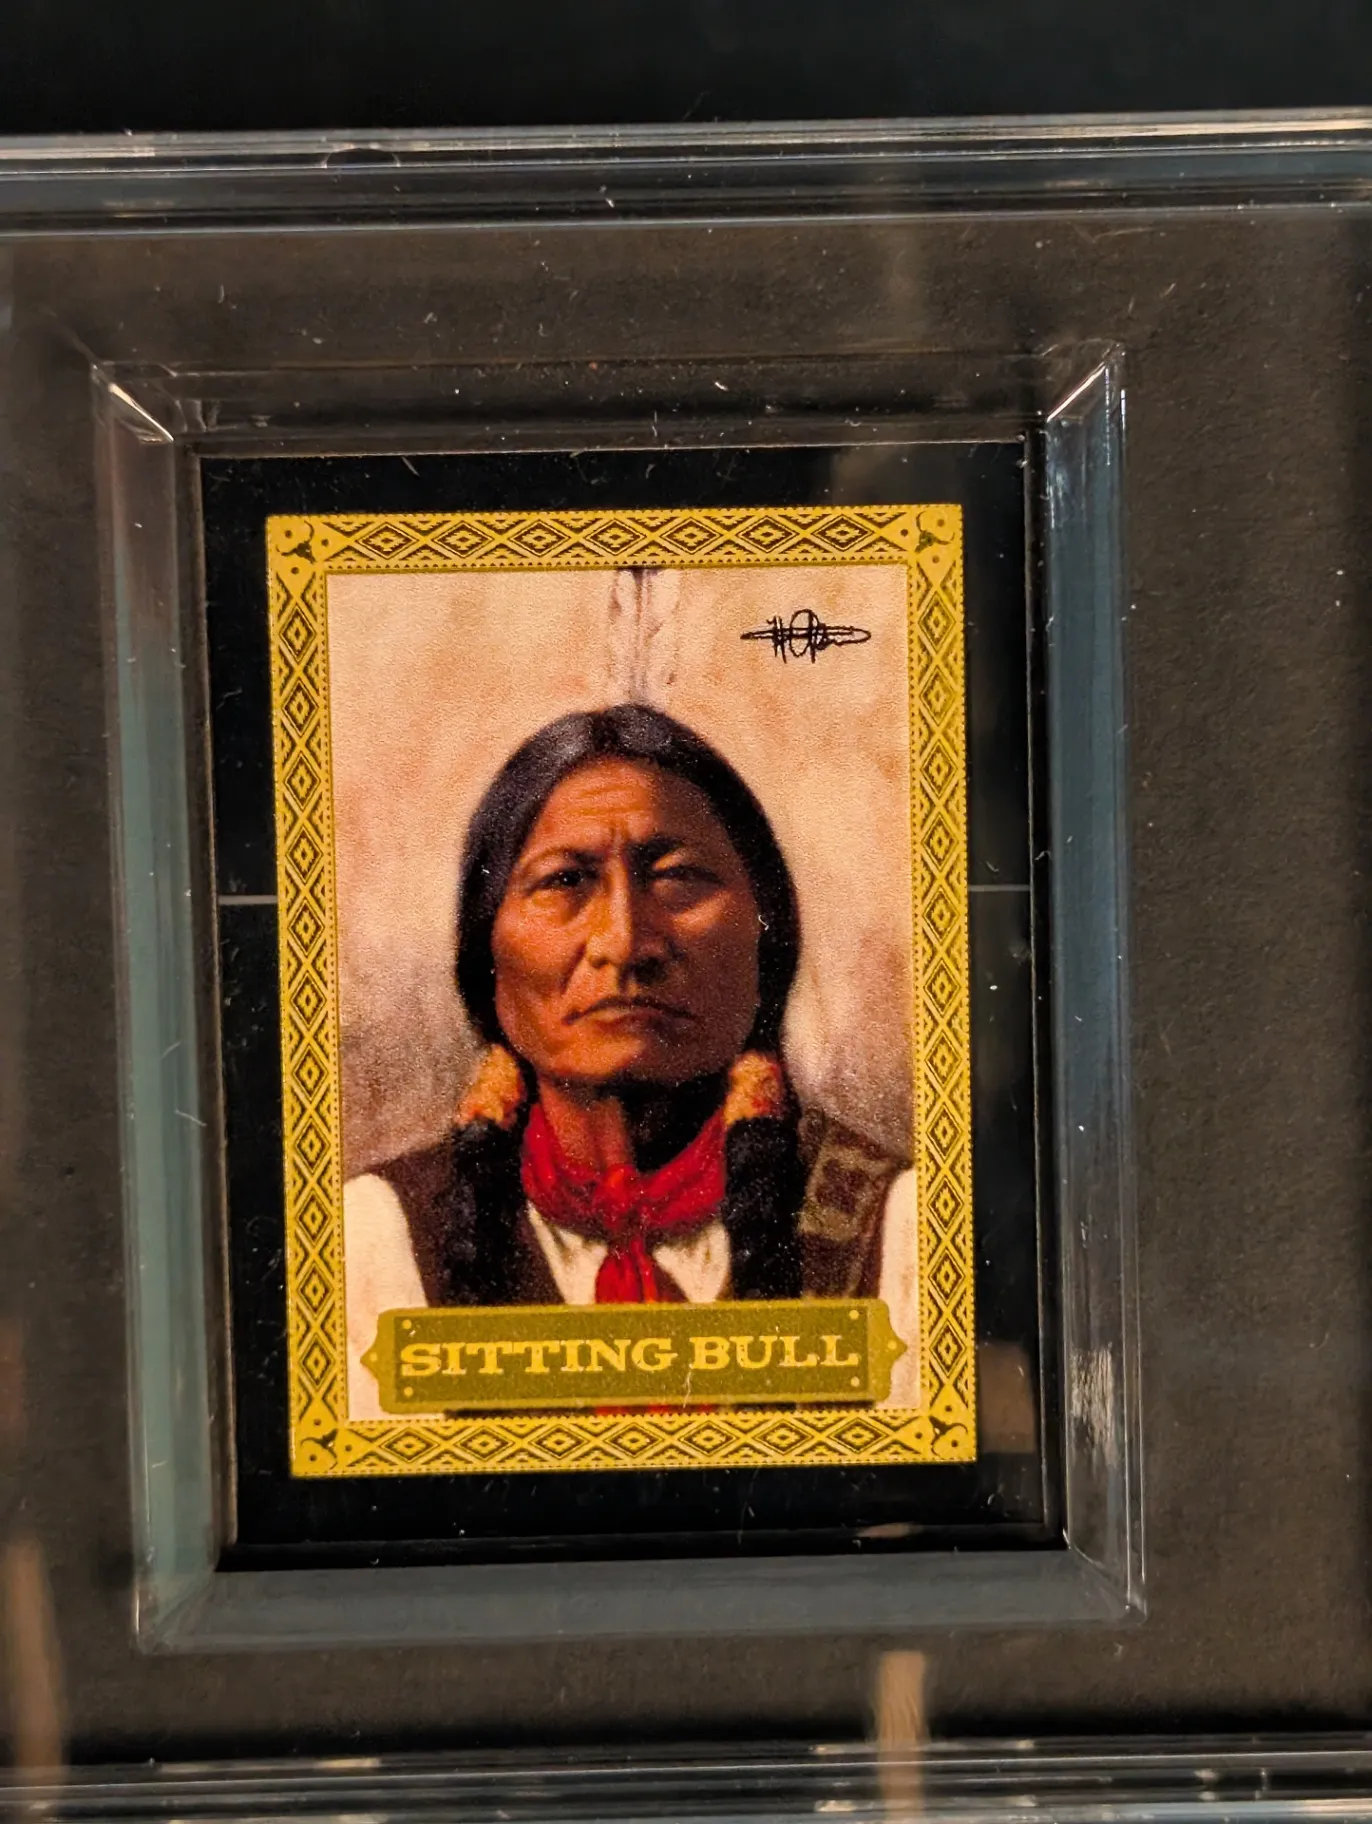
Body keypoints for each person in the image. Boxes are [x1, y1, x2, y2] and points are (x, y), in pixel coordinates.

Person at [344, 704, 920, 1415]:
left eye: (678, 877)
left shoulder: (896, 1228)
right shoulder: (382, 1237)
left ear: (767, 935)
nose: (624, 942)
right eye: (565, 882)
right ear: (484, 953)